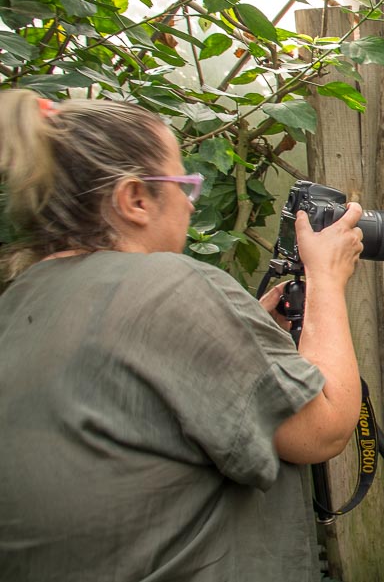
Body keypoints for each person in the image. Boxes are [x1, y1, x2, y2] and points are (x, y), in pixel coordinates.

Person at [0, 90, 365, 580]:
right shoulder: (168, 288)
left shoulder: (20, 299)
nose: (190, 206)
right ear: (134, 199)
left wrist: (248, 330)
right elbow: (326, 429)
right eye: (182, 185)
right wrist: (325, 278)